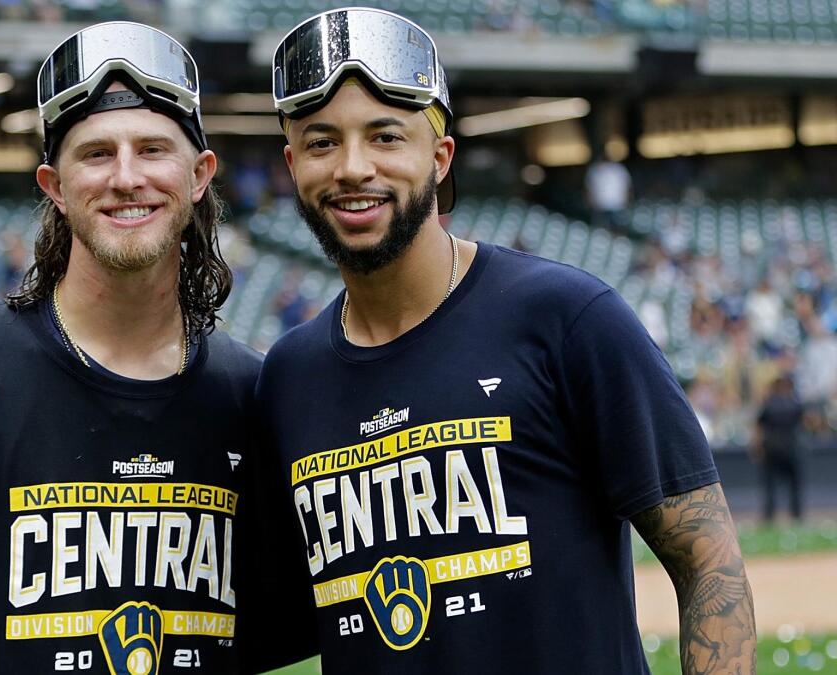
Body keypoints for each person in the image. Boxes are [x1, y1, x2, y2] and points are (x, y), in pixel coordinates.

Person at [255, 8, 754, 674]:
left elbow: (709, 561)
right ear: (292, 166)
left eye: (385, 137)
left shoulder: (566, 317)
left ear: (439, 157)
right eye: (321, 142)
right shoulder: (288, 376)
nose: (352, 167)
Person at [0, 22, 311, 674]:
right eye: (96, 154)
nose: (127, 177)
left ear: (198, 175)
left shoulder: (252, 394)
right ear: (54, 185)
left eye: (153, 149)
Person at [753, 373, 805, 523]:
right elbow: (806, 423)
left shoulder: (769, 403)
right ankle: (796, 515)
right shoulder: (795, 403)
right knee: (793, 485)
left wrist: (757, 446)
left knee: (770, 485)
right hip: (790, 447)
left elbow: (759, 426)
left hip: (772, 447)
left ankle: (769, 516)